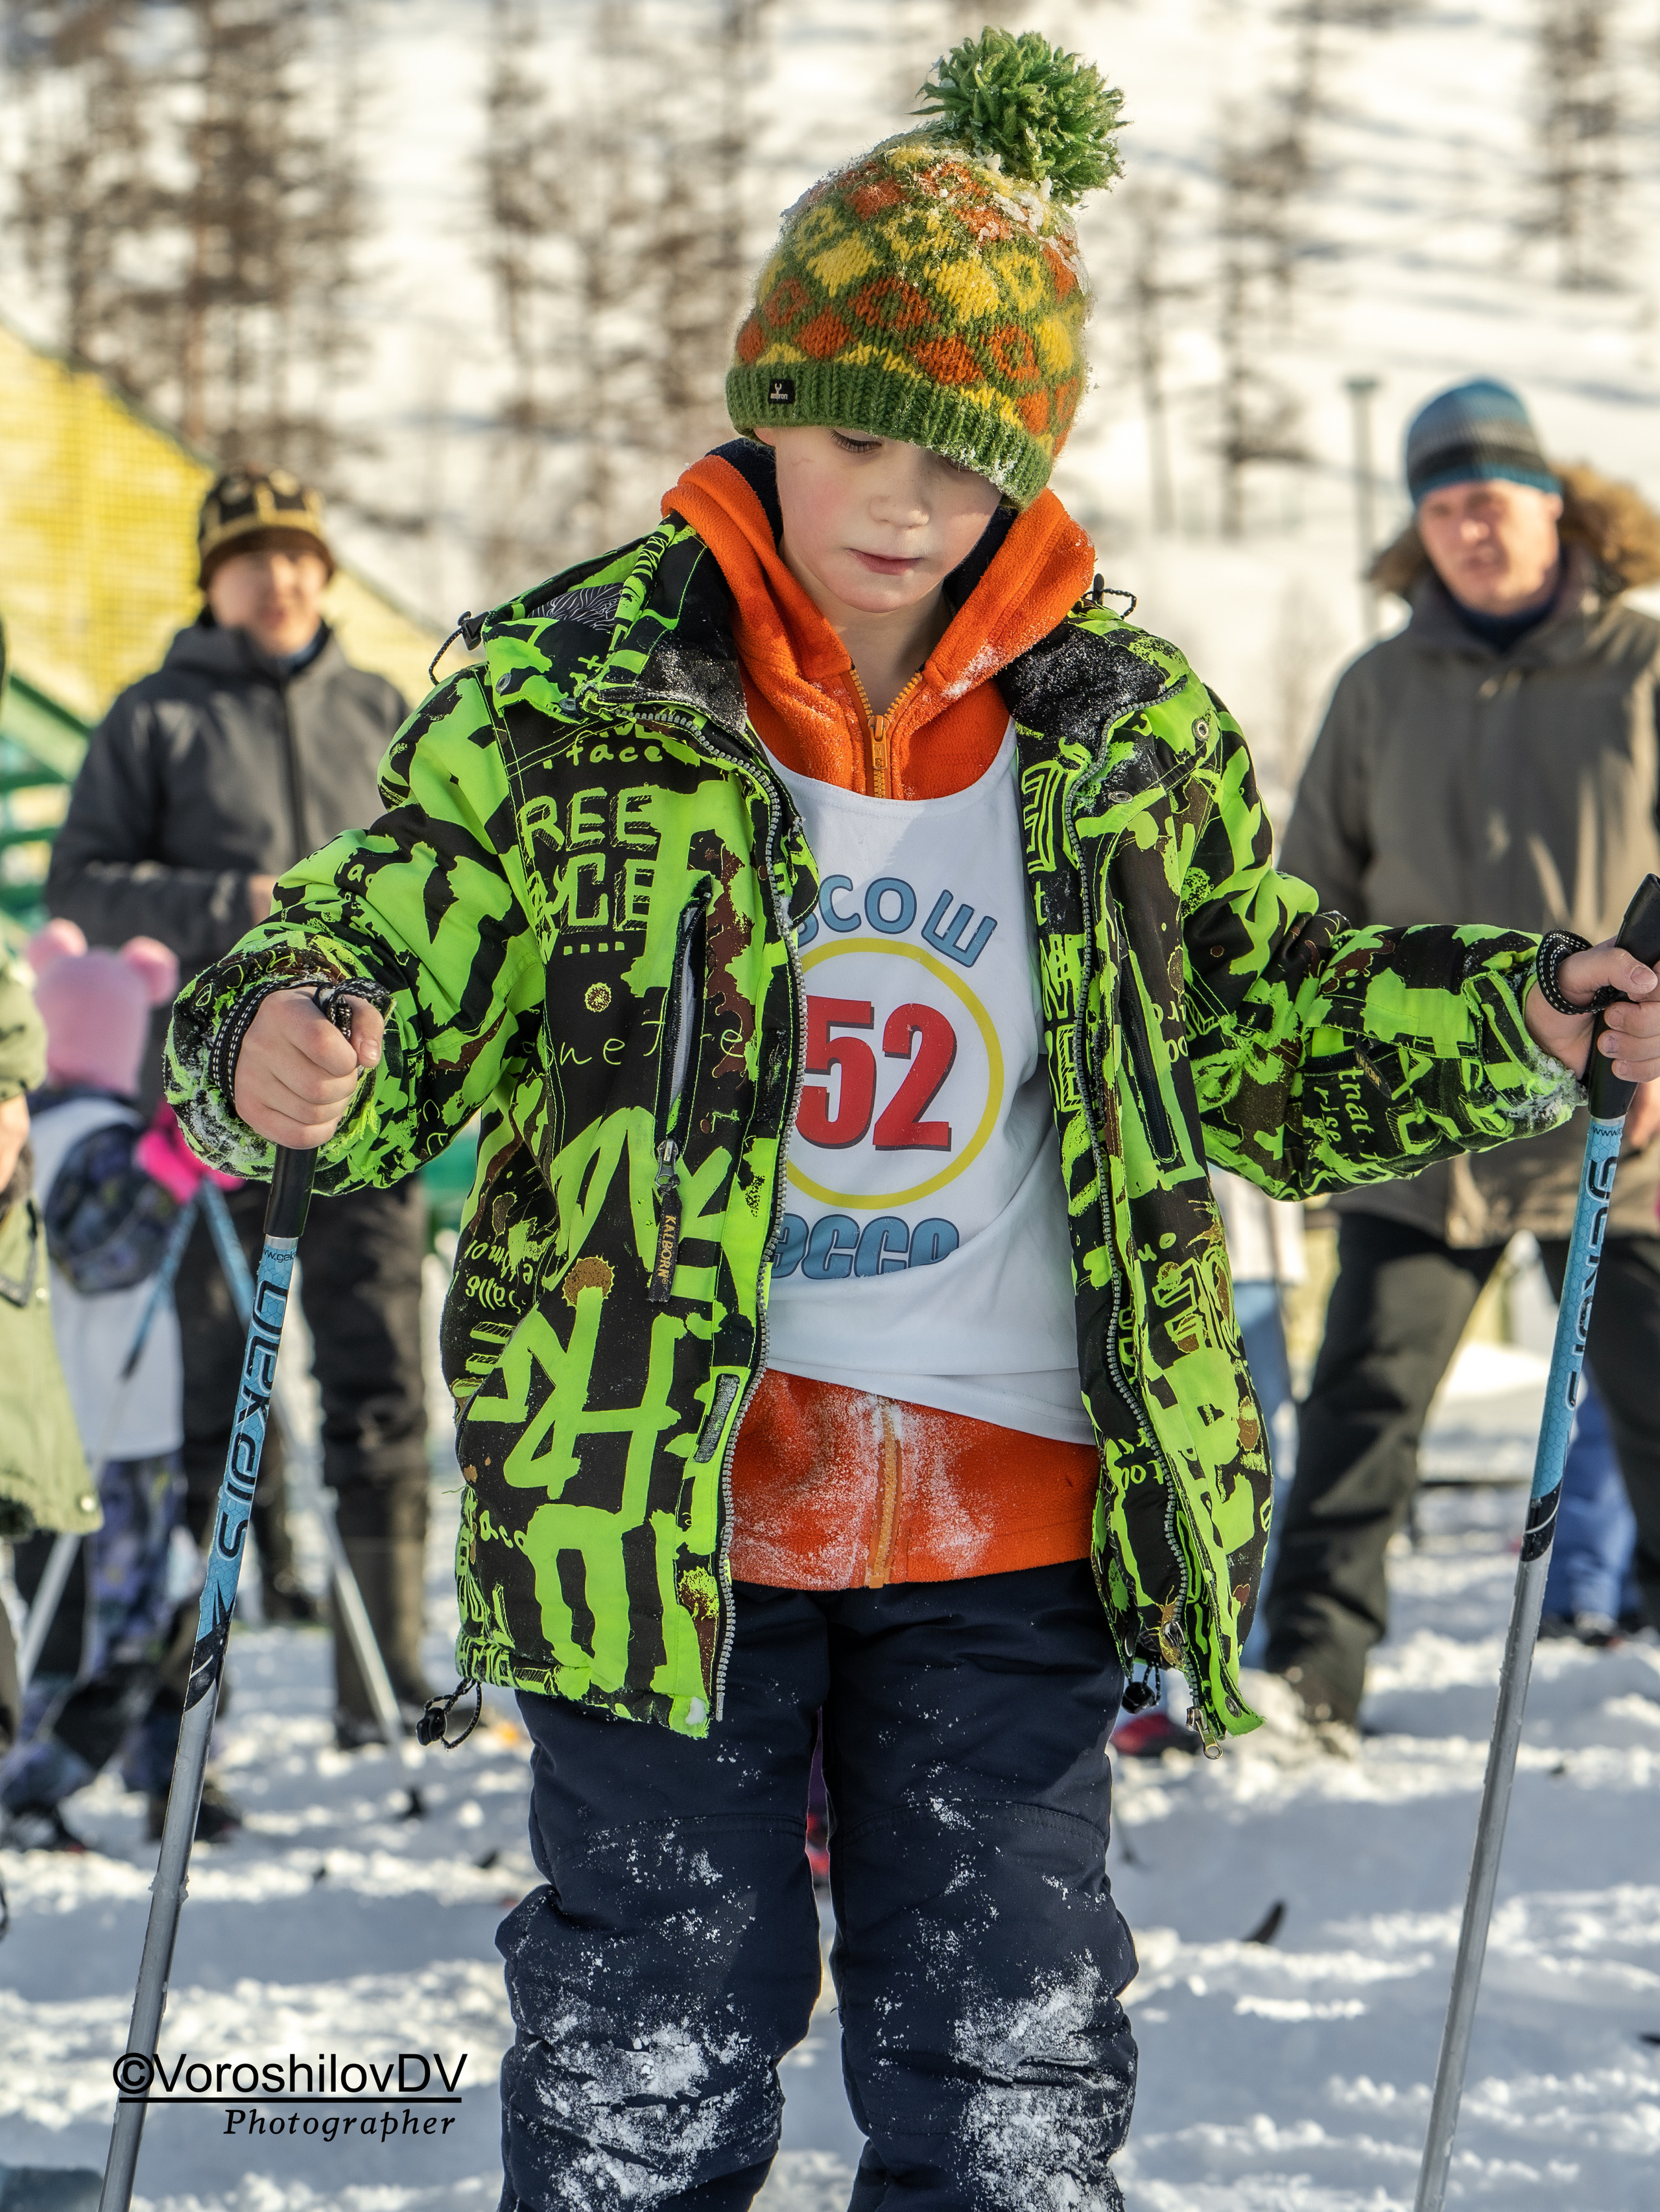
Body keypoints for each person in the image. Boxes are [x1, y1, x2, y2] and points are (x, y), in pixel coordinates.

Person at [162, 37, 1660, 2209]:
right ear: (768, 401)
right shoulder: (572, 693)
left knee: (1010, 2058)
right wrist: (294, 1031)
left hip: (1012, 1512)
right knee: (649, 2048)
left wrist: (1524, 1005)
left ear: (1026, 477)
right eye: (854, 430)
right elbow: (397, 932)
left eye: (962, 467)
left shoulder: (1119, 728)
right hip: (657, 1499)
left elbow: (1249, 1012)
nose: (896, 500)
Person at [1263, 376, 1660, 1741]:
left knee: (1654, 1405)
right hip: (1421, 1129)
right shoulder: (1375, 688)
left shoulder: (1638, 667)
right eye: (1440, 510)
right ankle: (1307, 1674)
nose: (1468, 532)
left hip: (1624, 1120)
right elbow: (1305, 893)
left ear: (1553, 504)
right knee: (1359, 1409)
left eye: (1489, 501)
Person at [45, 467, 434, 1746]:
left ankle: (379, 1689)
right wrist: (239, 906)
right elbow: (84, 888)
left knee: (379, 1389)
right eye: (252, 556)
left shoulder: (380, 706)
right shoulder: (149, 720)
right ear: (209, 578)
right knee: (212, 1403)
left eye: (302, 555)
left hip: (368, 1110)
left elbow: (438, 885)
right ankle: (180, 1703)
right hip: (210, 1118)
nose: (282, 577)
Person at [0, 922, 240, 1848]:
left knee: (103, 1606)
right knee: (132, 1615)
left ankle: (156, 1770)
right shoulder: (101, 1142)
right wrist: (169, 1169)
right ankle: (45, 1775)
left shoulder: (33, 1133)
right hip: (111, 1424)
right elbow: (104, 1255)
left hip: (74, 1415)